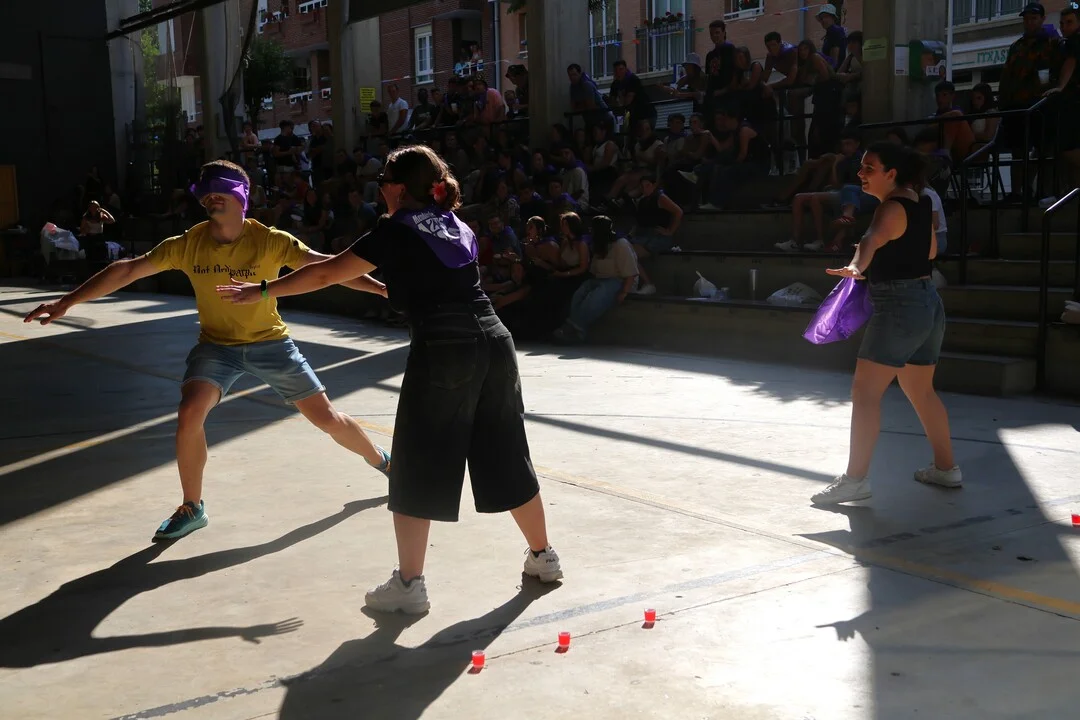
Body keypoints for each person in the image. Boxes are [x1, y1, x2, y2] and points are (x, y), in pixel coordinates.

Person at [216, 145, 563, 614]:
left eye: (383, 182)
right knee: (505, 448)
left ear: (398, 187)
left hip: (444, 347)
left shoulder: (396, 229)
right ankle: (543, 556)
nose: (379, 190)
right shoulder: (456, 225)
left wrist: (263, 290)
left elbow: (326, 273)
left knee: (417, 461)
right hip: (495, 341)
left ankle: (409, 584)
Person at [24, 160, 393, 539]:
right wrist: (67, 301)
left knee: (327, 419)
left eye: (221, 189)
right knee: (189, 413)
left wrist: (382, 289)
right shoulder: (189, 244)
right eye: (206, 191)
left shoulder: (271, 240)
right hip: (217, 347)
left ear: (242, 196)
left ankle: (382, 461)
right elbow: (128, 269)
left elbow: (328, 268)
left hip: (270, 343)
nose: (212, 196)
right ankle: (192, 506)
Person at [811, 142, 961, 506]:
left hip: (900, 307)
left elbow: (870, 239)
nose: (860, 174)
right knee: (921, 391)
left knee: (864, 394)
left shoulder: (891, 207)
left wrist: (857, 267)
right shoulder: (921, 202)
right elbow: (930, 252)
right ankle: (946, 469)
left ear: (891, 173)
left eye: (869, 168)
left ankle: (855, 480)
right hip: (928, 303)